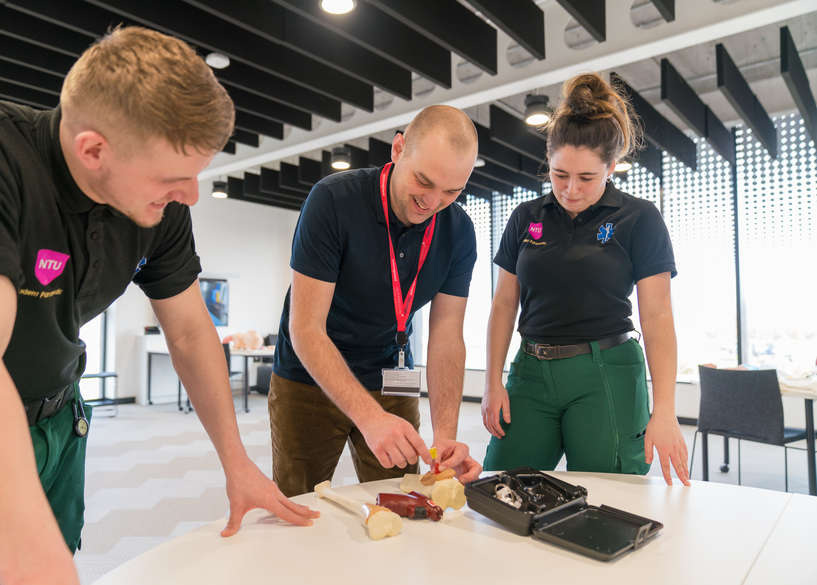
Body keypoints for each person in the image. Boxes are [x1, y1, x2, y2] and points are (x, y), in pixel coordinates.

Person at [0, 26, 317, 585]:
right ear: (93, 150)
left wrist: (237, 464)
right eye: (174, 178)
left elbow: (189, 333)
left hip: (63, 417)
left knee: (59, 547)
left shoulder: (157, 208)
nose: (190, 195)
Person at [481, 73, 690, 486]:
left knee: (610, 497)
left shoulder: (638, 218)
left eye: (586, 178)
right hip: (531, 371)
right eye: (559, 175)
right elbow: (504, 304)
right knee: (502, 489)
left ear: (611, 167)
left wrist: (664, 409)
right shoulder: (526, 218)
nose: (570, 190)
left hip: (607, 371)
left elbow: (658, 315)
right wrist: (491, 383)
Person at [269, 105, 483, 497]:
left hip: (391, 376)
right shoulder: (332, 201)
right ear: (398, 149)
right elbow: (305, 328)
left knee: (406, 497)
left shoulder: (459, 233)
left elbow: (448, 335)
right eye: (424, 181)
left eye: (452, 191)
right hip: (308, 378)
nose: (432, 202)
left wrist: (446, 438)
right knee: (299, 505)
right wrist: (368, 417)